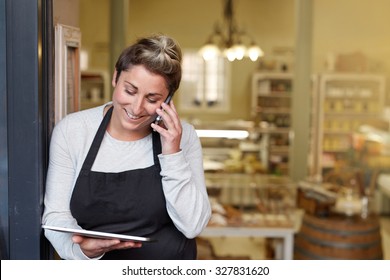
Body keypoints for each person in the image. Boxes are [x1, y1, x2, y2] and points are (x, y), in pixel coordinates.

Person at [42, 34, 211, 260]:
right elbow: (56, 216)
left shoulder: (184, 137)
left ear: (168, 100)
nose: (136, 107)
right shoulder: (73, 131)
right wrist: (81, 251)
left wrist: (172, 153)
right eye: (130, 91)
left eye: (152, 99)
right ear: (115, 77)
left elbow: (193, 226)